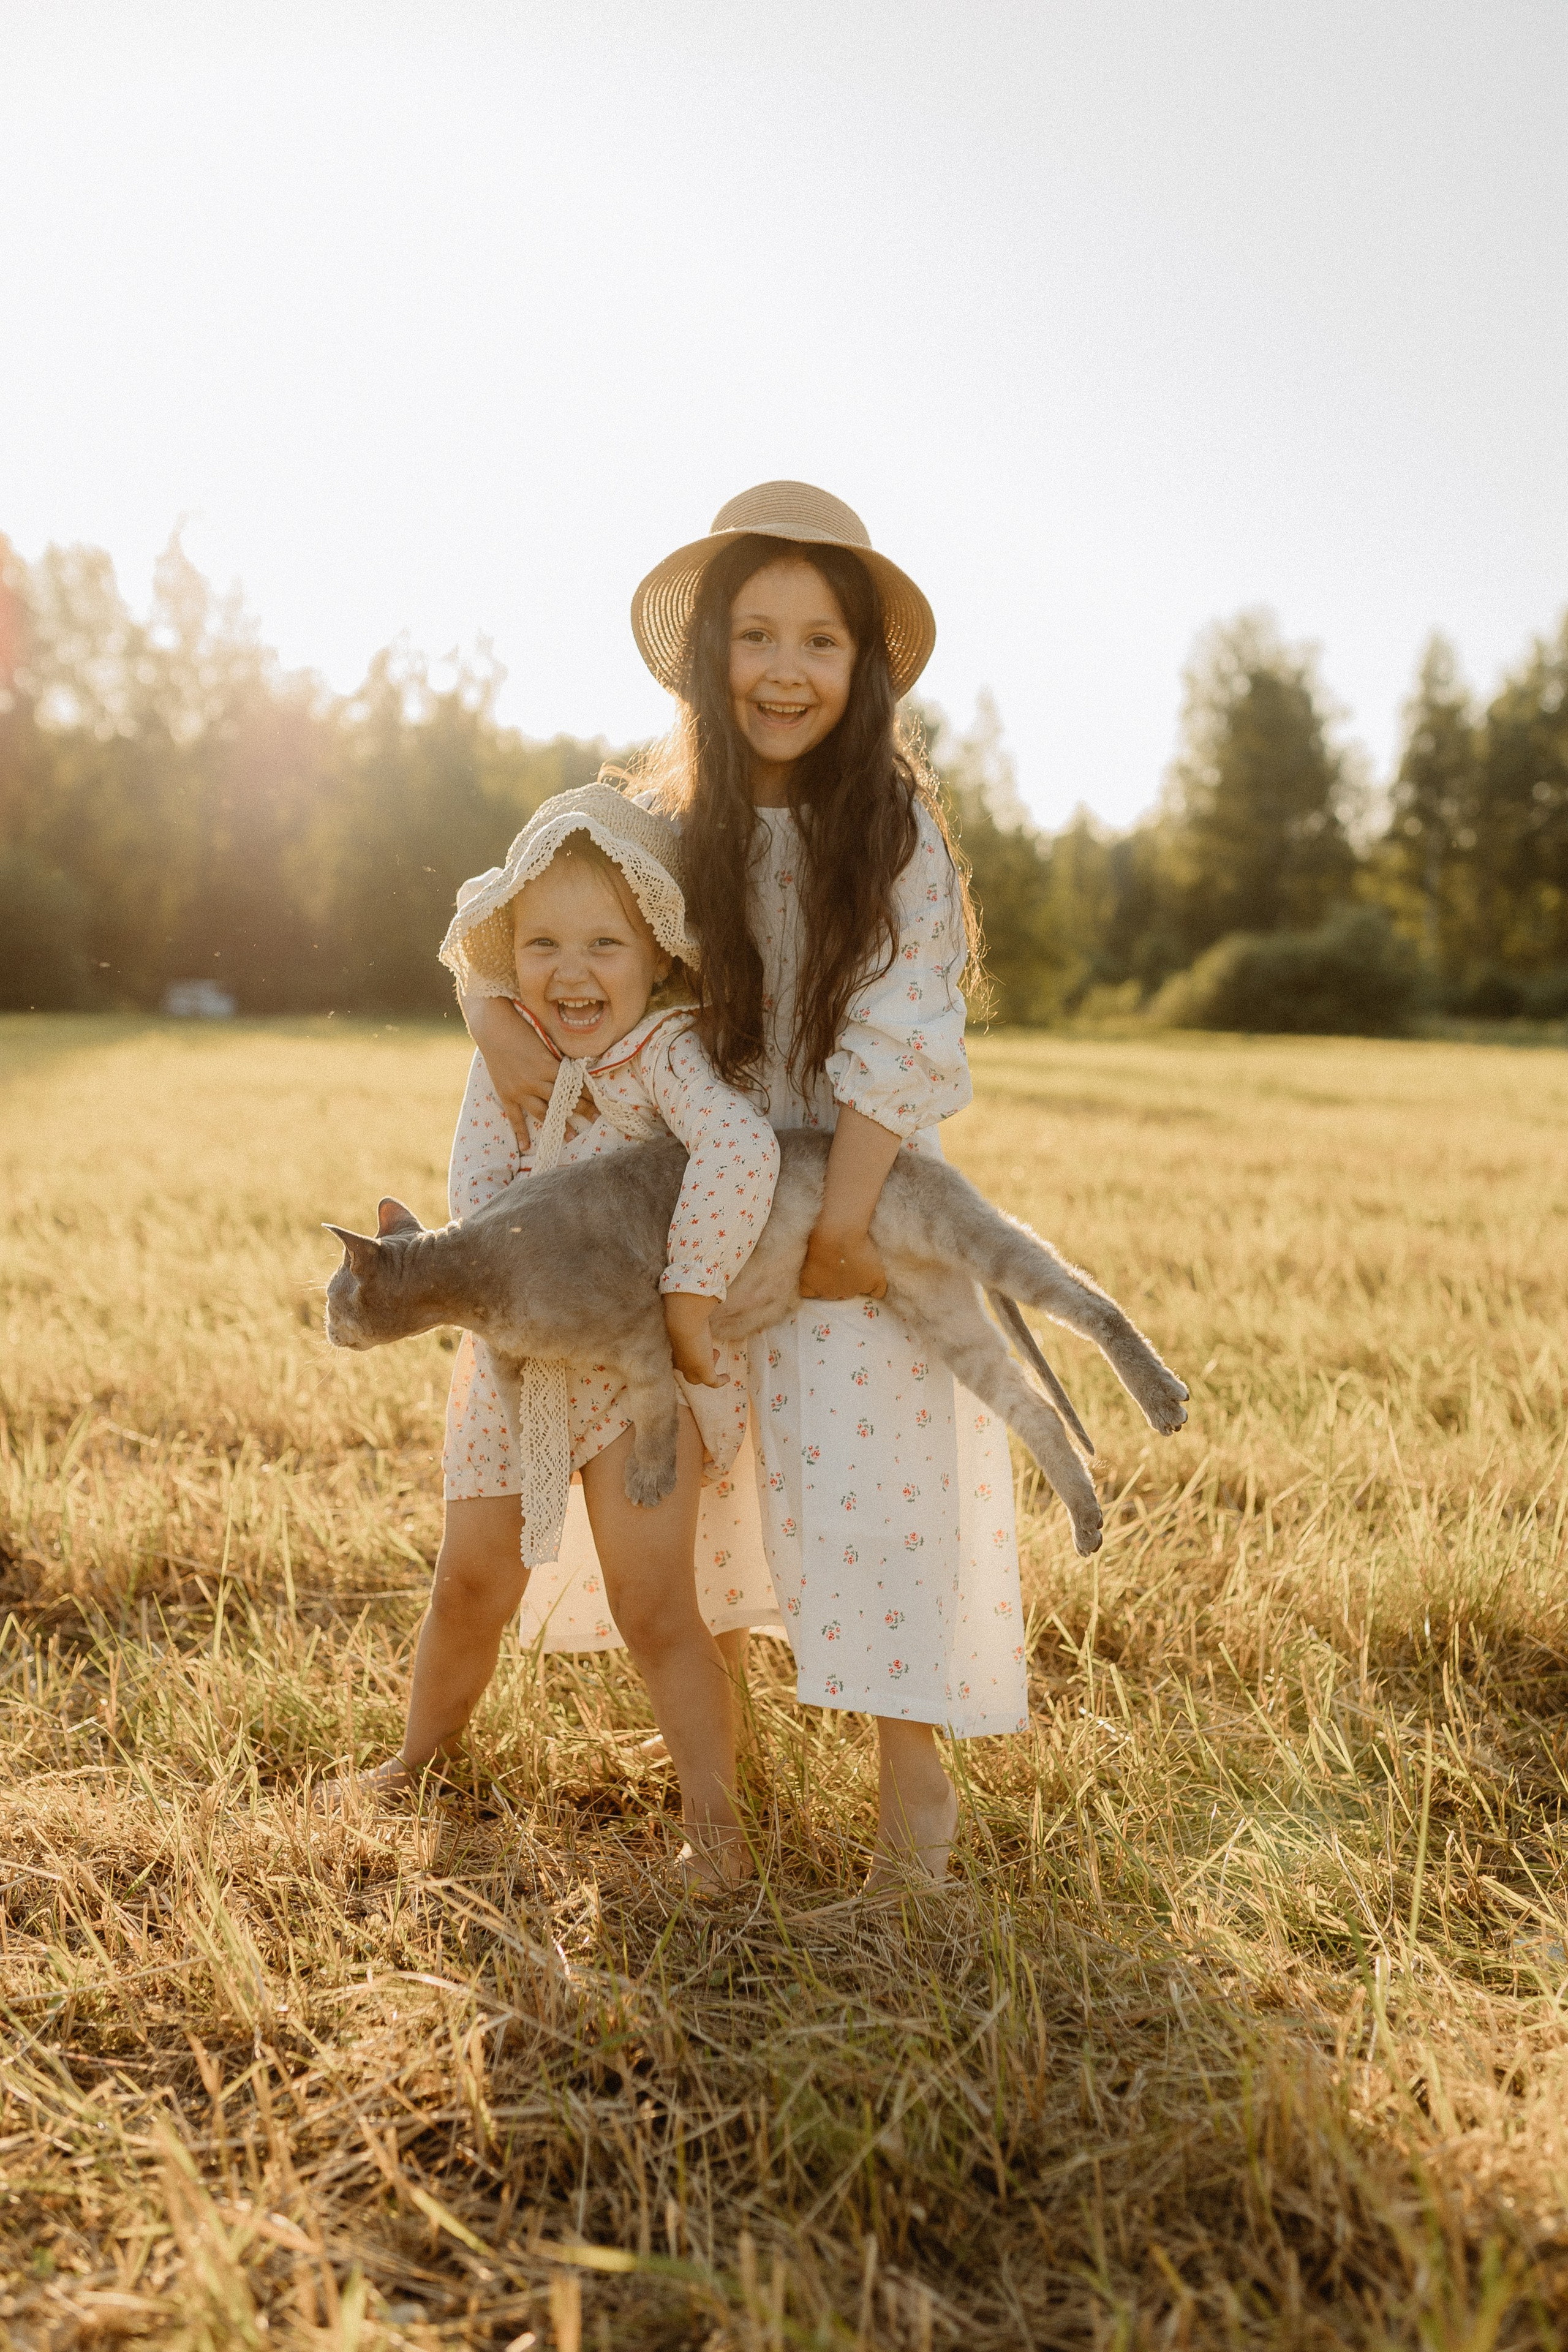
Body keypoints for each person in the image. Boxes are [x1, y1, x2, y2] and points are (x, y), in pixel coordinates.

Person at [464, 484, 1027, 1888]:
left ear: (863, 666)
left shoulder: (885, 821)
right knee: (707, 1475)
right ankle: (725, 1770)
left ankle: (913, 1785)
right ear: (710, 654)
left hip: (854, 1184)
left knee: (871, 1469)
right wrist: (483, 1003)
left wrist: (844, 1227)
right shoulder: (661, 816)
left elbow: (907, 1027)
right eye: (757, 636)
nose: (784, 670)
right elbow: (512, 913)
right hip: (695, 1177)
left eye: (820, 641)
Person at [324, 787, 780, 1890]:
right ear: (510, 960)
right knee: (470, 1581)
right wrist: (484, 1244)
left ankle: (716, 1833)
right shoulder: (509, 1056)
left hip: (636, 1378)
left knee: (655, 1599)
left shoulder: (671, 1055)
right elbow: (473, 1184)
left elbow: (744, 1156)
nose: (572, 973)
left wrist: (688, 1291)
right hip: (517, 1373)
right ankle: (420, 1757)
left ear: (658, 957)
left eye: (603, 946)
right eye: (541, 946)